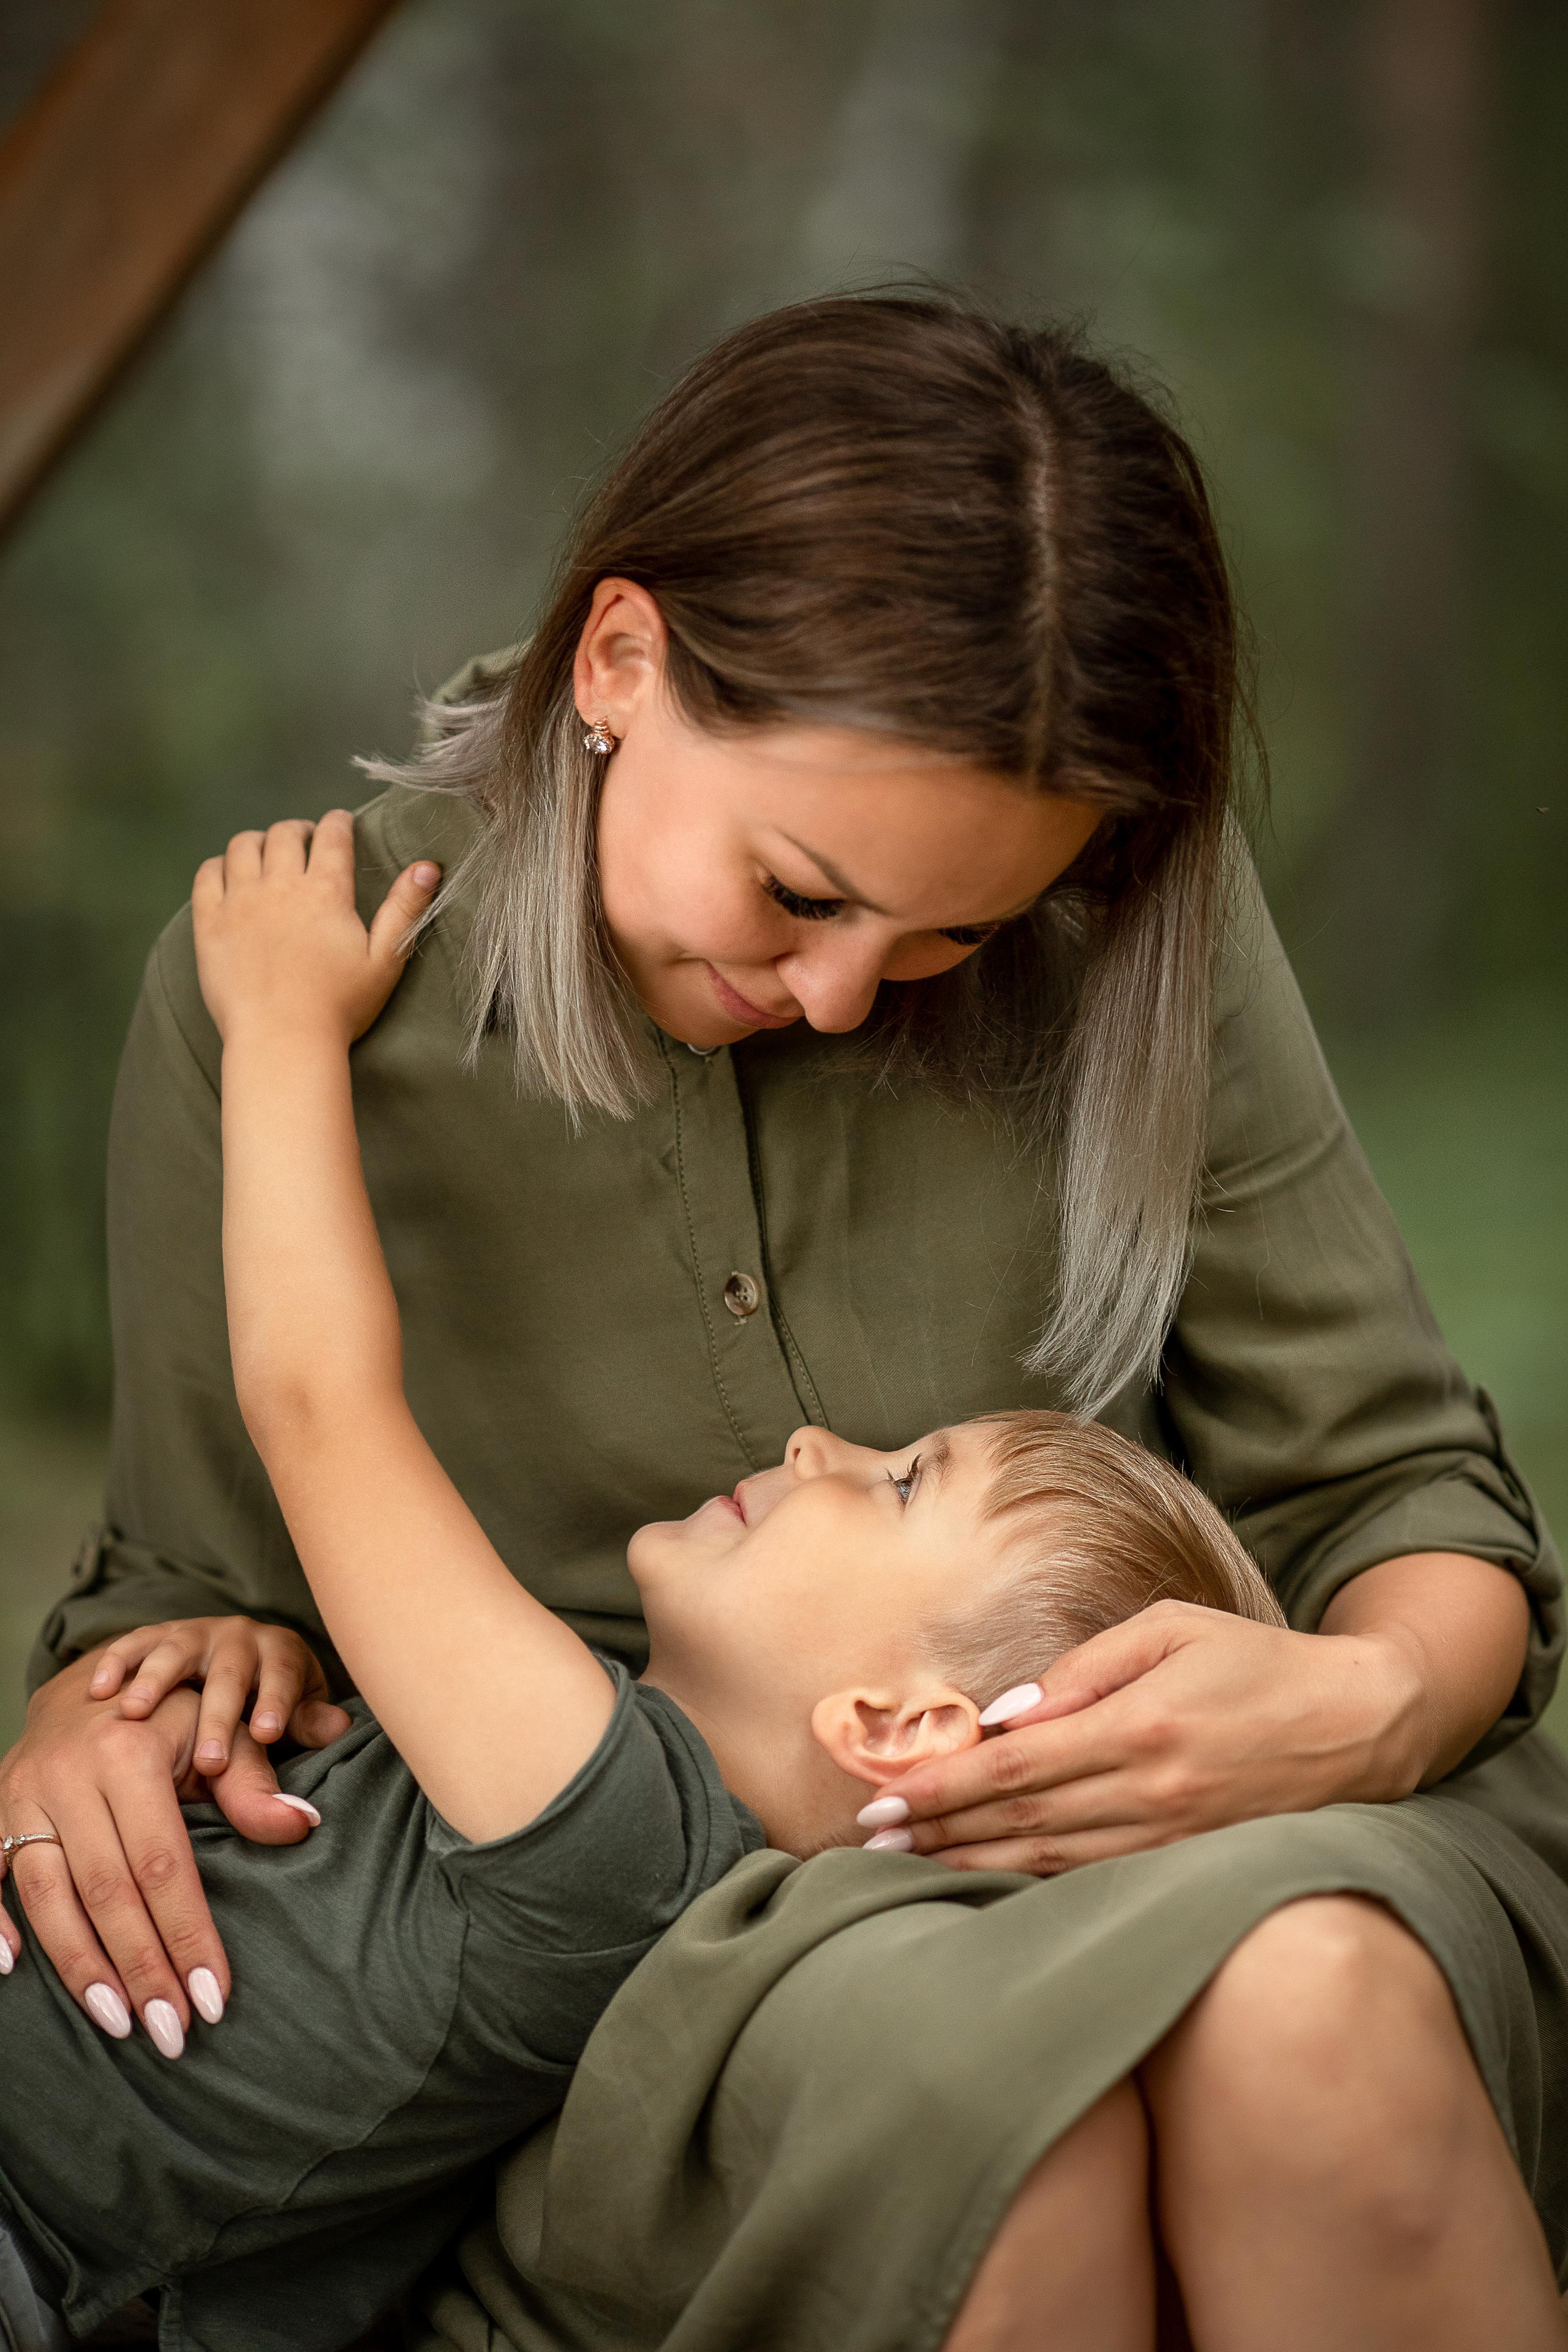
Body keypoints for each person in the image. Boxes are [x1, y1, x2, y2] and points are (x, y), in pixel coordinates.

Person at [1, 293, 1564, 2349]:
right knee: (990, 2105)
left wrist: (1367, 1707)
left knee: (1310, 1987)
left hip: (1259, 1804)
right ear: (620, 662)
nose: (841, 998)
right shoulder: (290, 1000)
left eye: (957, 936)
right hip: (704, 1951)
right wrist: (116, 1702)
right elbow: (209, 1573)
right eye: (803, 894)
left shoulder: (1115, 910)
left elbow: (1399, 1488)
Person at [0, 809, 1287, 2351]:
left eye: (898, 1481)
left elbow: (316, 1405)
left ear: (893, 1723)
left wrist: (280, 1029)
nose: (816, 1442)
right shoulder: (608, 1821)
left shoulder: (617, 1842)